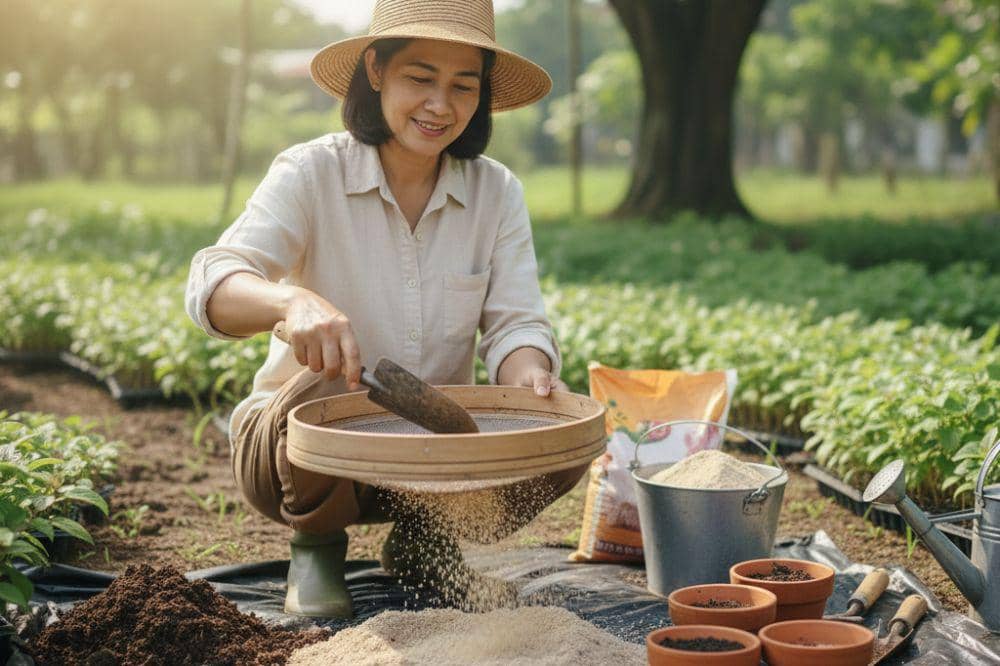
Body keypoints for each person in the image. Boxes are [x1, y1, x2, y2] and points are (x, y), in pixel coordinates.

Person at [184, 0, 584, 619]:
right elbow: (212, 283)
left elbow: (516, 323)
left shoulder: (495, 192)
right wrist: (290, 301)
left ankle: (424, 541)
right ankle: (315, 548)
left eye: (462, 86)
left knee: (563, 432)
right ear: (375, 70)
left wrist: (526, 377)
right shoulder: (311, 172)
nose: (440, 106)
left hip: (433, 454)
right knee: (307, 398)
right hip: (303, 455)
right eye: (420, 79)